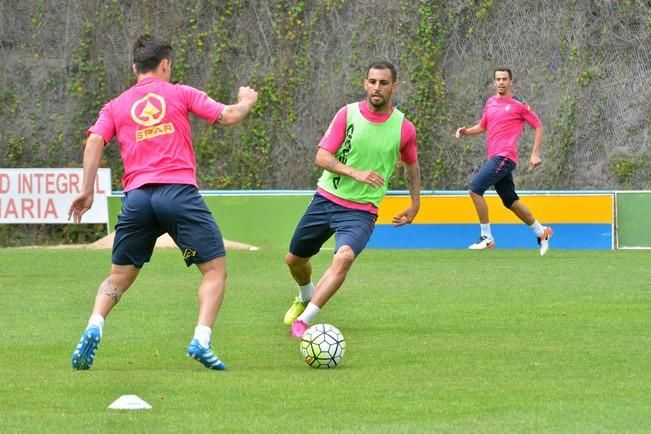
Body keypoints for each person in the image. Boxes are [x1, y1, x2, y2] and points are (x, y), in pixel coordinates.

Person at [68, 34, 258, 371]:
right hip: (178, 195)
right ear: (166, 64)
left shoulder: (115, 105)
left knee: (117, 278)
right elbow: (228, 116)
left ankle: (94, 324)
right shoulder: (180, 93)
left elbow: (96, 138)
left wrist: (87, 189)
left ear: (134, 68)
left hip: (138, 199)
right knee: (214, 270)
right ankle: (201, 339)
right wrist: (246, 100)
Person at [283, 61, 421, 338]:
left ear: (394, 87)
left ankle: (305, 321)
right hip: (326, 198)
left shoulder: (404, 128)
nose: (377, 88)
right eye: (372, 81)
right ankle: (304, 295)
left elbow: (412, 166)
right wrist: (353, 172)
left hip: (361, 211)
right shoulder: (347, 115)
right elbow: (321, 156)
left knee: (344, 257)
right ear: (365, 83)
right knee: (294, 260)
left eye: (383, 83)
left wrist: (415, 203)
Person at [455, 67, 553, 256]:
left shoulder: (519, 104)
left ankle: (487, 237)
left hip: (505, 156)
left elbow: (538, 126)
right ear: (494, 82)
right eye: (498, 79)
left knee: (475, 190)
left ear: (511, 82)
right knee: (511, 201)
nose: (501, 82)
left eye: (504, 79)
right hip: (496, 157)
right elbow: (483, 126)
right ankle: (542, 232)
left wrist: (535, 154)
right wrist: (466, 131)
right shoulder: (490, 102)